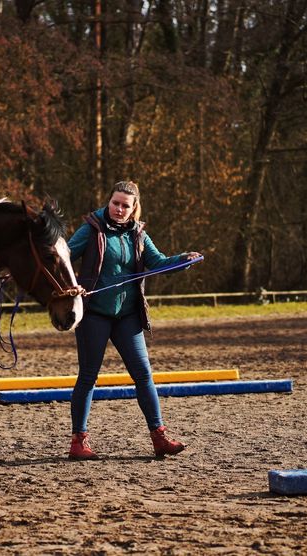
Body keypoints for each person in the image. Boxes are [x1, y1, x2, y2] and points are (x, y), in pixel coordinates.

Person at [66, 180, 202, 459]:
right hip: (94, 314)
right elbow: (64, 257)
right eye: (115, 203)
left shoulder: (139, 234)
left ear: (134, 208)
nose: (118, 209)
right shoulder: (92, 228)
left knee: (143, 375)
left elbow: (159, 262)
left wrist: (183, 259)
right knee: (88, 377)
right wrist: (73, 285)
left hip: (127, 315)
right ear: (109, 202)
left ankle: (159, 437)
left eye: (125, 205)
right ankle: (78, 442)